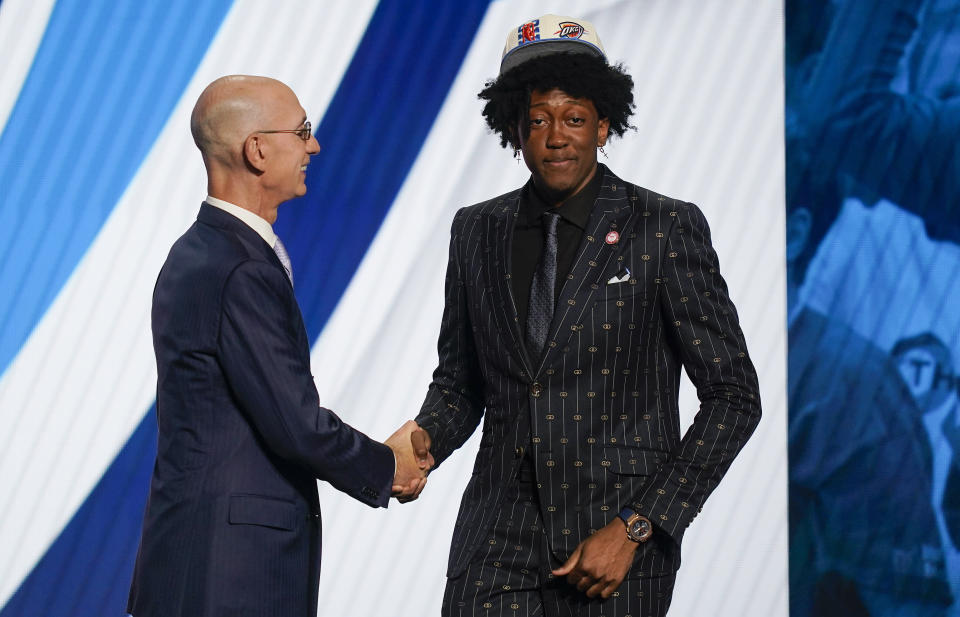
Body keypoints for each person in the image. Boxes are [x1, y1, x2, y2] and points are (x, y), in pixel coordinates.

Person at [408, 15, 761, 617]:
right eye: (538, 120)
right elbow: (461, 384)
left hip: (613, 546)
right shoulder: (476, 230)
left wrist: (639, 526)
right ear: (514, 129)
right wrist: (419, 443)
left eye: (574, 119)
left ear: (603, 126)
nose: (556, 137)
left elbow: (734, 396)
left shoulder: (664, 227)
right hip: (496, 539)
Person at [126, 75, 430, 617]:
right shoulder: (239, 267)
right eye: (302, 131)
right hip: (230, 574)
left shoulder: (201, 252)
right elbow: (296, 424)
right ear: (258, 149)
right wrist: (388, 467)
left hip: (198, 562)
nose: (313, 145)